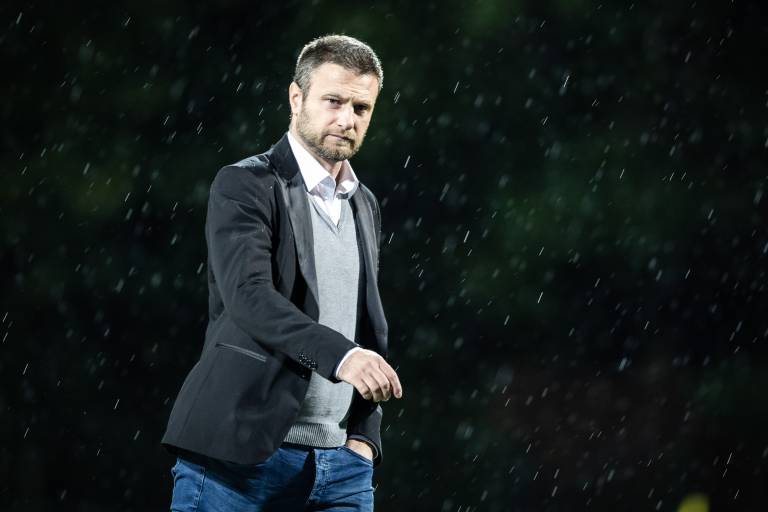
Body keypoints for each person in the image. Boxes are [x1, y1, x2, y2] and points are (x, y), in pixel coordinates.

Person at [161, 35, 403, 511]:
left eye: (361, 108)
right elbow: (249, 295)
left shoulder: (364, 203)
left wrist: (364, 438)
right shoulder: (246, 183)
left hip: (340, 467)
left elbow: (364, 322)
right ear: (296, 98)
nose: (347, 119)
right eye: (334, 101)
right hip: (237, 457)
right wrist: (343, 357)